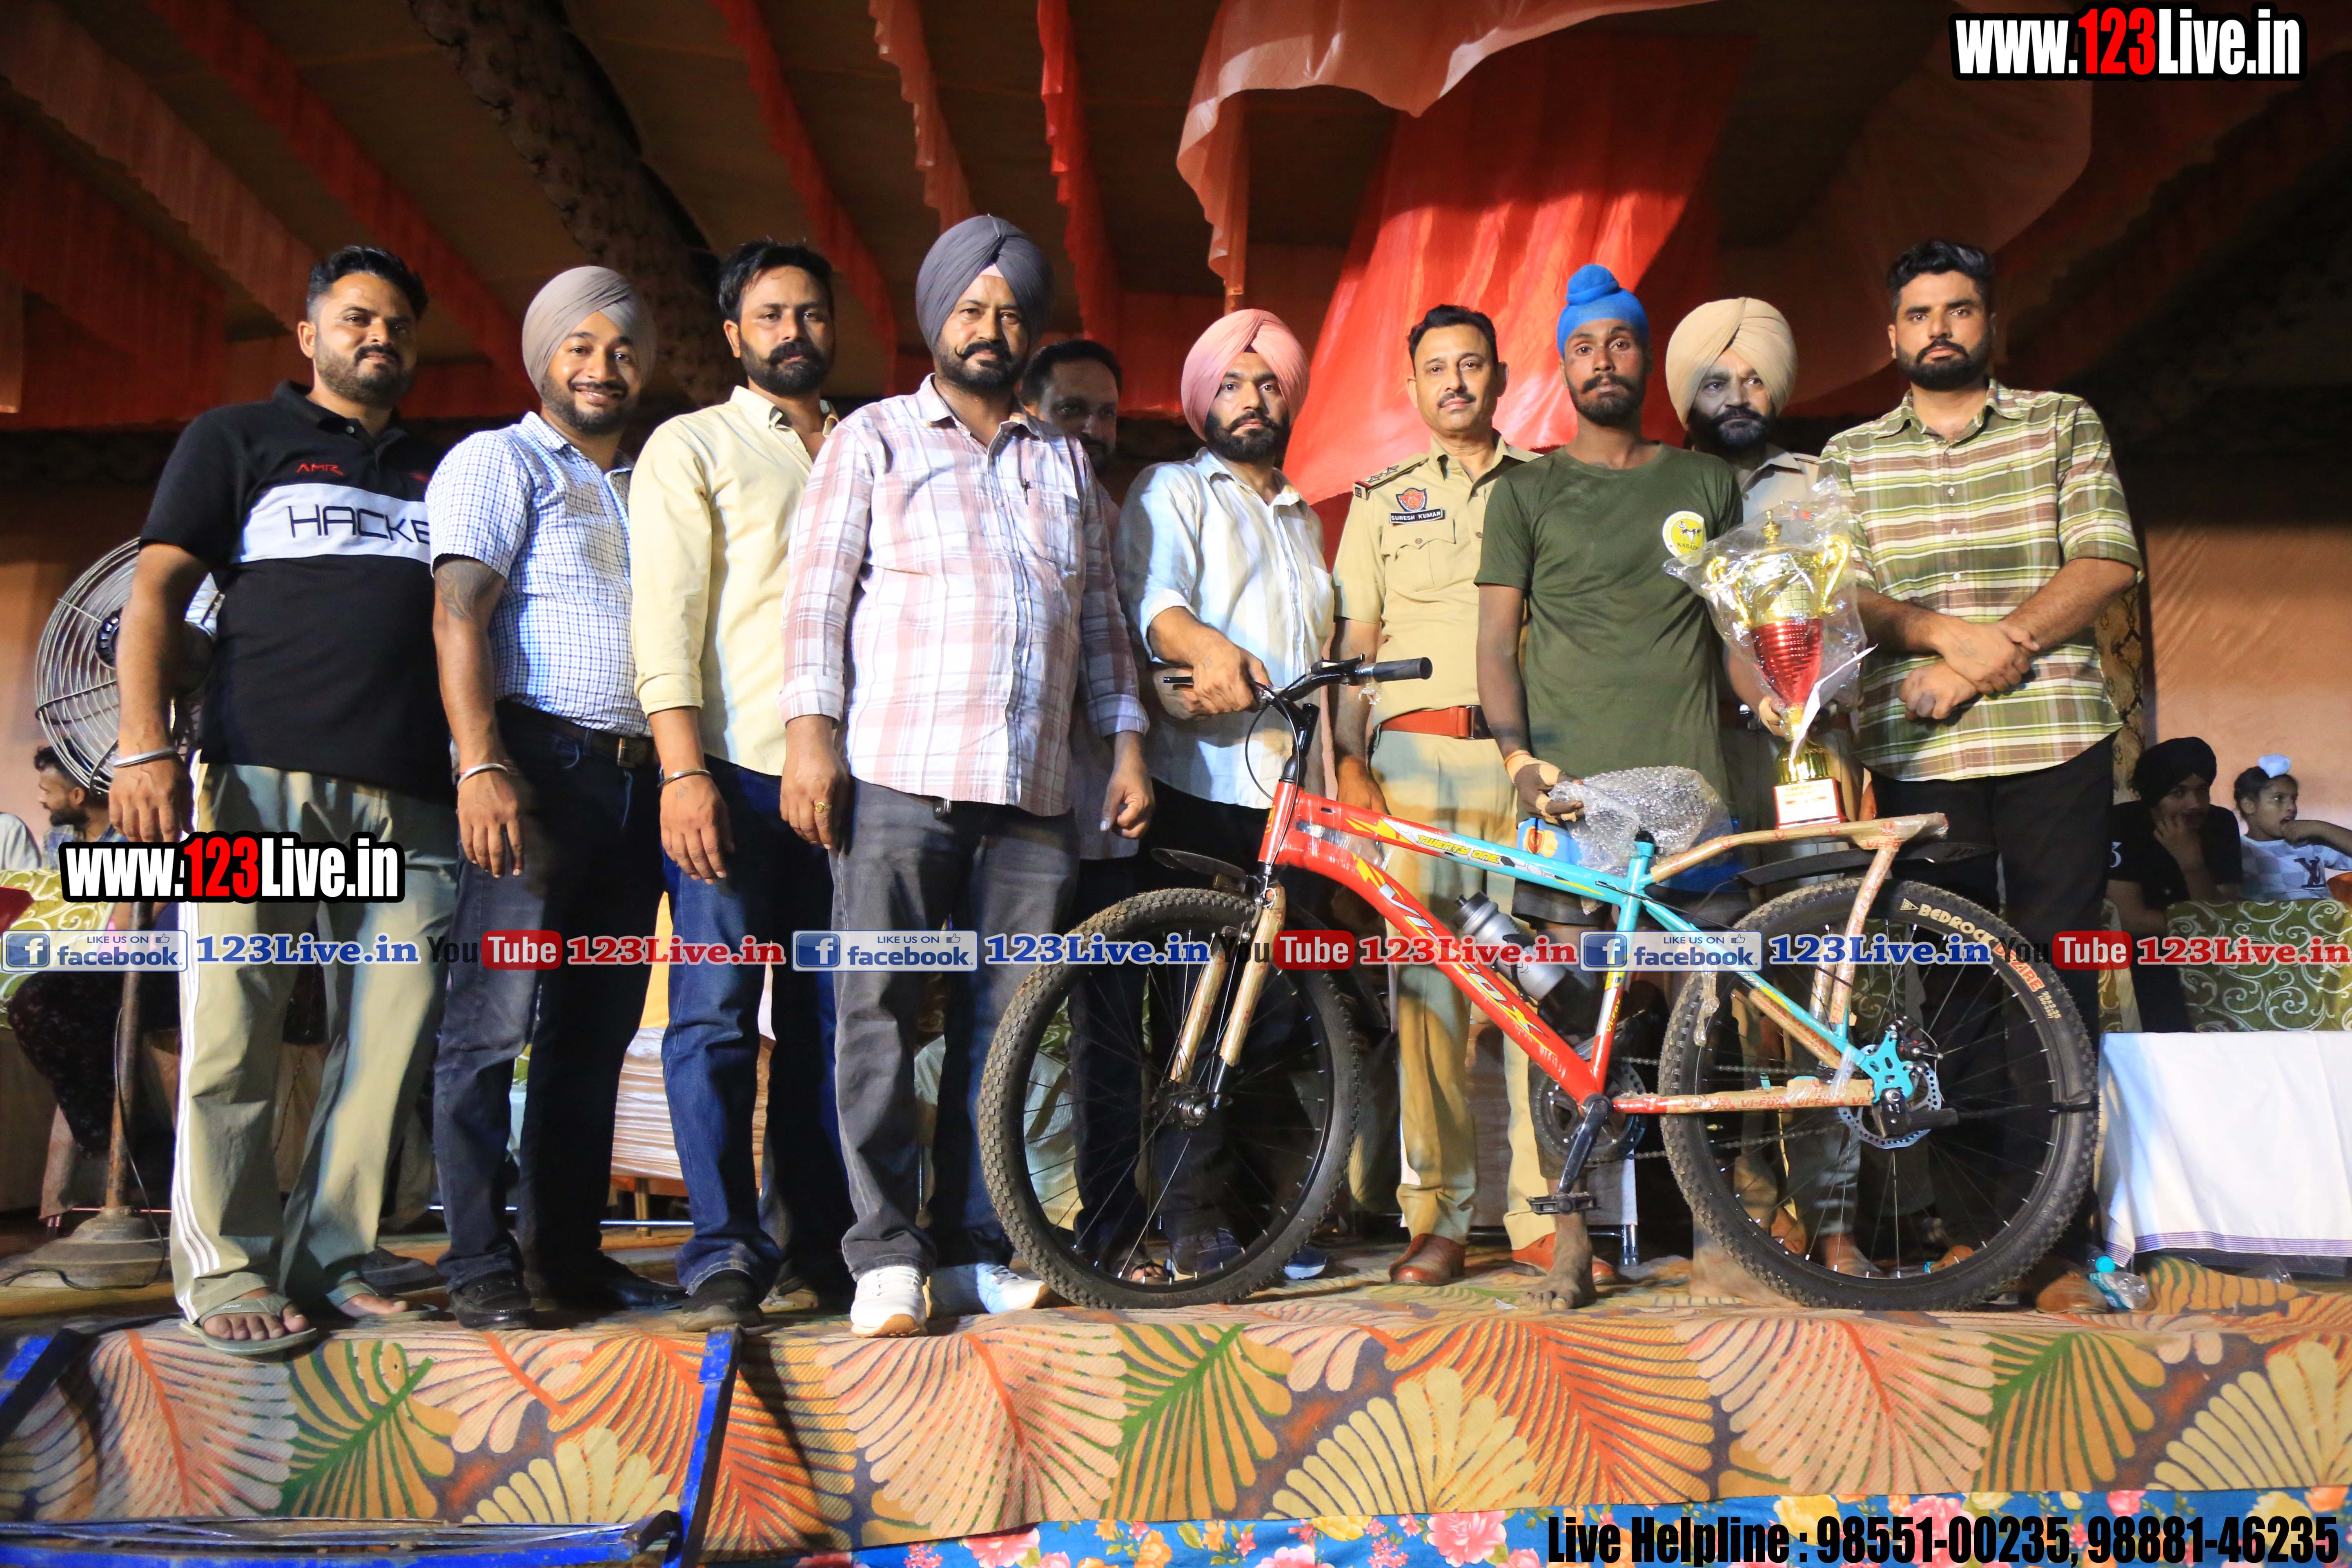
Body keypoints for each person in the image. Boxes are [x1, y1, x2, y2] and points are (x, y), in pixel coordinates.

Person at [781, 215, 1150, 1337]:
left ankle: (975, 1247)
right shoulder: (874, 439)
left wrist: (1125, 743)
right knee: (879, 1015)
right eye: (971, 308)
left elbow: (1100, 626)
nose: (990, 328)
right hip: (899, 775)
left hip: (1033, 795)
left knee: (1008, 1025)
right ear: (935, 319)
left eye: (1010, 313)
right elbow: (816, 601)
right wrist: (809, 737)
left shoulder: (1062, 462)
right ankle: (885, 1254)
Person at [113, 245, 461, 1354]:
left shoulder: (443, 470)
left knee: (389, 1042)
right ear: (309, 336)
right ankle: (224, 1267)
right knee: (235, 1026)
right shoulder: (238, 438)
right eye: (358, 318)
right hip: (260, 777)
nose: (380, 336)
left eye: (398, 323)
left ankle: (333, 1253)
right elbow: (155, 592)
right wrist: (141, 748)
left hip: (415, 793)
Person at [1822, 238, 2141, 1310]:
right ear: (1893, 336)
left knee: (2055, 978)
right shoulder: (1850, 456)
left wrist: (1983, 656)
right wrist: (1941, 637)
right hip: (1922, 752)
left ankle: (2057, 1244)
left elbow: (2106, 558)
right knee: (1952, 991)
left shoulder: (2061, 423)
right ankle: (1979, 1238)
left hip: (2055, 735)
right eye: (1920, 315)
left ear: (1991, 325)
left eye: (1959, 310)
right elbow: (1843, 594)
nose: (1940, 329)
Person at [1474, 263, 1745, 1310]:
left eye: (1620, 342)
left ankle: (1717, 1229)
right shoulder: (1525, 491)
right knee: (1563, 1023)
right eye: (1583, 346)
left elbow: (1732, 633)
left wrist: (1782, 695)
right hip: (1569, 798)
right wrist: (1517, 760)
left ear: (1644, 356)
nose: (1602, 361)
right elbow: (1495, 644)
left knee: (1702, 1016)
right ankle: (1570, 1241)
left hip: (1689, 794)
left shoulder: (1703, 483)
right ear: (1562, 363)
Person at [425, 267, 677, 1330]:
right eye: (579, 346)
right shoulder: (501, 460)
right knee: (492, 1026)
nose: (602, 366)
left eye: (622, 350)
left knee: (592, 1035)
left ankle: (564, 1260)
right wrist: (481, 764)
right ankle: (478, 1264)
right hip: (535, 775)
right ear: (543, 359)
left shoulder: (652, 483)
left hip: (638, 787)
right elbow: (457, 613)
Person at [630, 240, 857, 1327]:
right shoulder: (694, 445)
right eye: (770, 315)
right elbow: (666, 617)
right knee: (716, 1017)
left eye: (810, 313)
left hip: (851, 785)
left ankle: (817, 1243)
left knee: (830, 1024)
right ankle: (724, 1250)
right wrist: (683, 773)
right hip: (729, 771)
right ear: (733, 334)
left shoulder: (870, 447)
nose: (792, 333)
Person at [1330, 303, 1546, 1286]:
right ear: (1411, 387)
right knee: (1427, 999)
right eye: (1435, 368)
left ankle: (1542, 1215)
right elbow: (1353, 648)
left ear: (1499, 376)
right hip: (1414, 766)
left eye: (1471, 365)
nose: (1454, 382)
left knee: (1537, 985)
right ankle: (1439, 1220)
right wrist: (1348, 764)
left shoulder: (1547, 486)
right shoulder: (1381, 502)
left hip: (1528, 765)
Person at [1120, 307, 1334, 1283]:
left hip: (1293, 803)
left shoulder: (1303, 516)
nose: (1251, 400)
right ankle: (1193, 1216)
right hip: (1200, 785)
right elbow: (1153, 602)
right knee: (1194, 1009)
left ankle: (1265, 1215)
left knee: (1281, 1011)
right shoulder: (1172, 489)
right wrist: (1205, 648)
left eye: (1268, 384)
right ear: (1202, 399)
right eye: (1233, 384)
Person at [2108, 737, 2242, 1033]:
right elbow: (2129, 920)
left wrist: (2192, 864)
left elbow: (2222, 919)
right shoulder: (2123, 823)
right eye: (2178, 793)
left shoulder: (2220, 824)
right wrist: (2194, 928)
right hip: (2141, 958)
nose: (2195, 804)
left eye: (2202, 791)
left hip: (2208, 956)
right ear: (2153, 796)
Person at [2236, 757, 2352, 900]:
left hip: (2320, 914)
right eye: (2279, 799)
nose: (2292, 807)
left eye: (2294, 800)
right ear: (2249, 806)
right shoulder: (2238, 852)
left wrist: (2320, 828)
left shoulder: (2311, 845)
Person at [35, 748, 122, 865]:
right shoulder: (56, 837)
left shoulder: (134, 838)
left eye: (47, 792)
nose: (41, 799)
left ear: (77, 796)